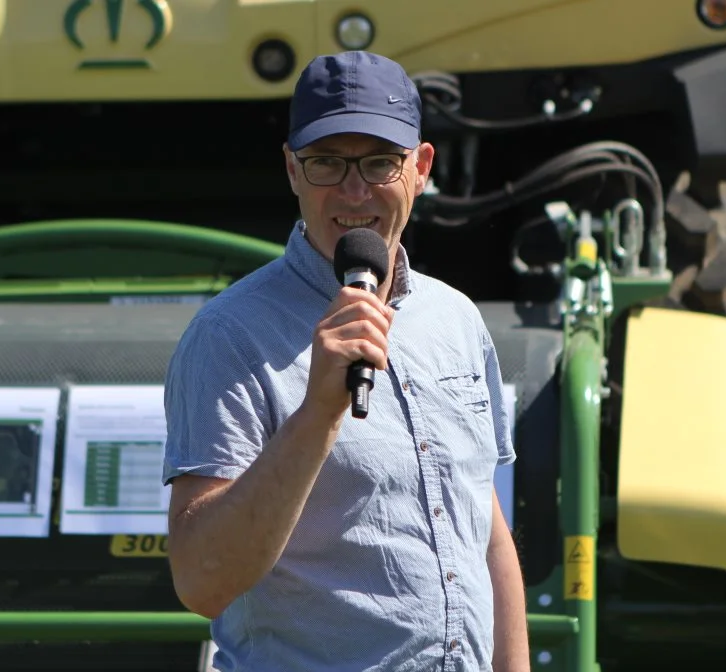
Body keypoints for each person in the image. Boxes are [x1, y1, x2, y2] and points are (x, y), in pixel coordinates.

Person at [162, 49, 529, 671]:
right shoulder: (228, 336)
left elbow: (484, 532)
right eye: (327, 162)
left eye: (380, 162)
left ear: (420, 169)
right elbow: (201, 581)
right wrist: (319, 411)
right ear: (292, 170)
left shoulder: (457, 319)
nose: (353, 191)